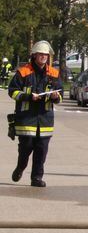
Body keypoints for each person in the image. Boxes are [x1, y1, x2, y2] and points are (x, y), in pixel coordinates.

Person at [7, 41, 62, 187]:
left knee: (41, 151)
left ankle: (36, 178)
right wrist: (28, 96)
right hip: (26, 119)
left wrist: (56, 97)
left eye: (46, 54)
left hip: (45, 120)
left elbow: (60, 93)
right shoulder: (23, 72)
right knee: (25, 149)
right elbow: (12, 91)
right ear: (34, 55)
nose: (44, 57)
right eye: (41, 54)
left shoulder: (54, 73)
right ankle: (20, 168)